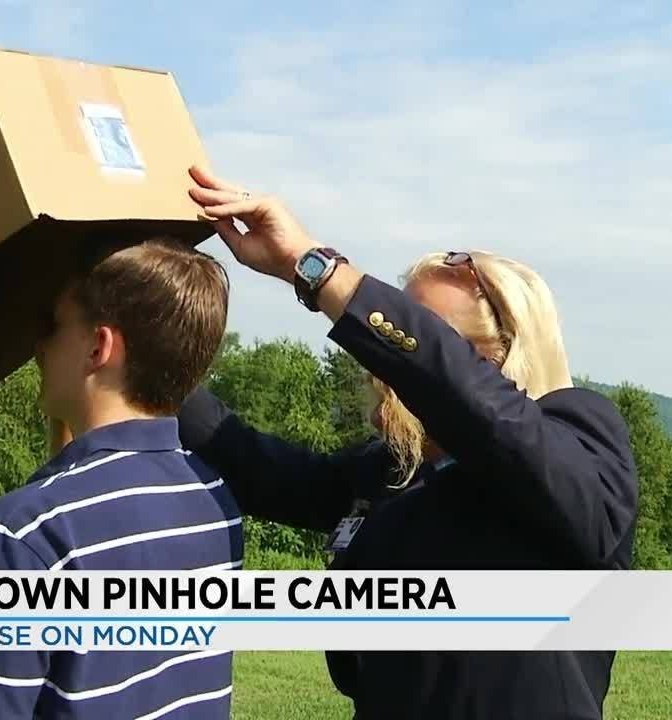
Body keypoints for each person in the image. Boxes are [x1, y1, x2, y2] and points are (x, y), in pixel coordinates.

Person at [178, 166, 639, 720]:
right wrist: (156, 370)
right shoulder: (397, 472)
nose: (390, 353)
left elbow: (485, 414)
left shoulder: (582, 441)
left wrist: (315, 269)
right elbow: (256, 466)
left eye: (426, 336)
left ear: (500, 355)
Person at [0, 237, 242, 720]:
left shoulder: (24, 533)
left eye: (53, 327)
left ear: (98, 346)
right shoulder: (213, 500)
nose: (38, 347)